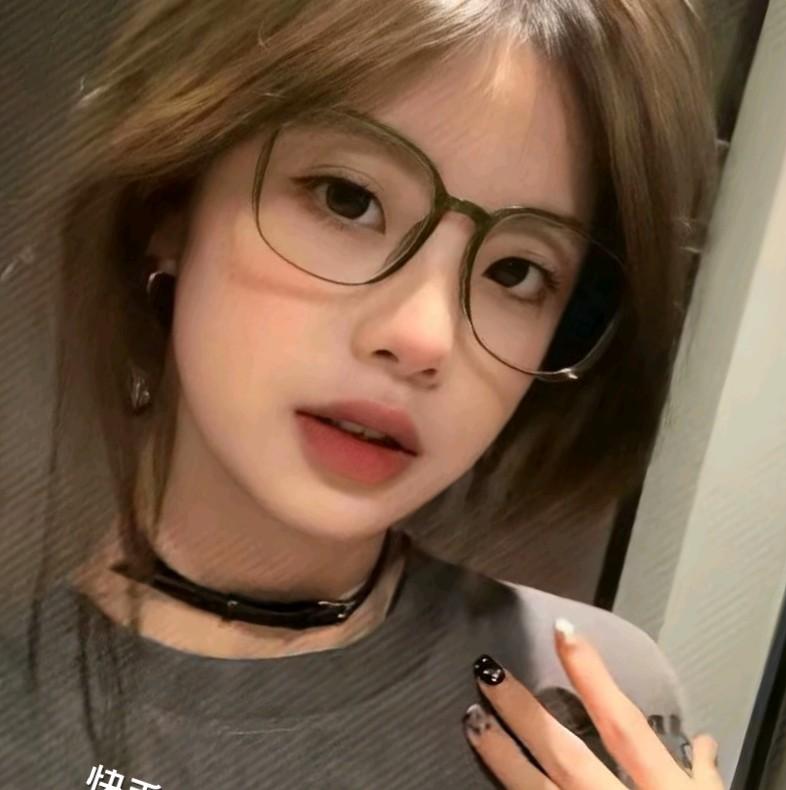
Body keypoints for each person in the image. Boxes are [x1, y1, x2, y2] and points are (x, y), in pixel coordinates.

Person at [0, 1, 726, 787]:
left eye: (516, 272)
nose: (423, 338)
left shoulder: (589, 705)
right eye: (347, 199)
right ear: (171, 201)